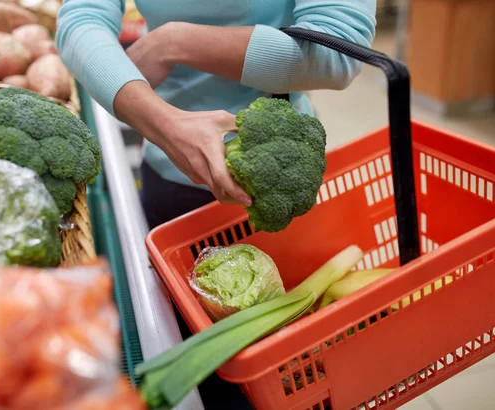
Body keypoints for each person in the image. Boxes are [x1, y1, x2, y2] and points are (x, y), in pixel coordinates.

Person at [56, 1, 376, 407]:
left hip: (277, 175)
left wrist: (175, 41)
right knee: (213, 386)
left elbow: (337, 47)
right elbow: (80, 17)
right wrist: (164, 124)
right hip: (169, 178)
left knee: (298, 376)